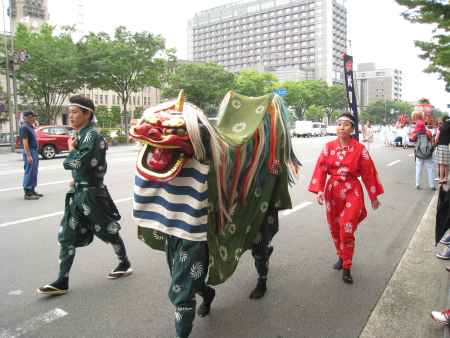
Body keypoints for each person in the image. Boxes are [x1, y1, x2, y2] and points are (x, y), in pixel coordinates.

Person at [37, 95, 132, 295]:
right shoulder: (81, 134)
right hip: (79, 193)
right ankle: (62, 281)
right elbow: (83, 166)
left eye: (74, 112)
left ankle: (124, 263)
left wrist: (71, 152)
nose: (70, 116)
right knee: (67, 235)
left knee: (107, 231)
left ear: (87, 114)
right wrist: (76, 179)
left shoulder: (92, 135)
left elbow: (77, 162)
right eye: (69, 112)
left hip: (92, 195)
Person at [309, 113, 384, 284]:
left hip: (352, 190)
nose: (341, 127)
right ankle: (341, 256)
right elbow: (321, 169)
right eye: (339, 124)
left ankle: (347, 267)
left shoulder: (360, 149)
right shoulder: (328, 147)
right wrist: (319, 189)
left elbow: (368, 173)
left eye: (346, 124)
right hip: (332, 190)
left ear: (353, 129)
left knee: (346, 226)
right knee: (335, 227)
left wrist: (373, 196)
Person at [19, 111, 43, 200]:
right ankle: (28, 193)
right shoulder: (24, 127)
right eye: (32, 117)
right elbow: (25, 142)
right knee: (29, 171)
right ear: (26, 118)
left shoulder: (30, 127)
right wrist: (29, 155)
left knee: (34, 171)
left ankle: (32, 190)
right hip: (30, 151)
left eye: (34, 117)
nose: (34, 118)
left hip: (34, 151)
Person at [411, 119, 436, 190]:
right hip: (428, 154)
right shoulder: (428, 132)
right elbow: (432, 141)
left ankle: (417, 184)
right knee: (430, 169)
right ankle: (432, 186)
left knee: (418, 169)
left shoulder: (415, 133)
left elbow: (412, 139)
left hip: (419, 154)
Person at [435, 116, 450, 184]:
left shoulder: (440, 128)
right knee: (446, 164)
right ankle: (446, 178)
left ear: (443, 121)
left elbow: (437, 138)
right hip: (448, 146)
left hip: (441, 146)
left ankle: (441, 179)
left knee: (441, 164)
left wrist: (436, 142)